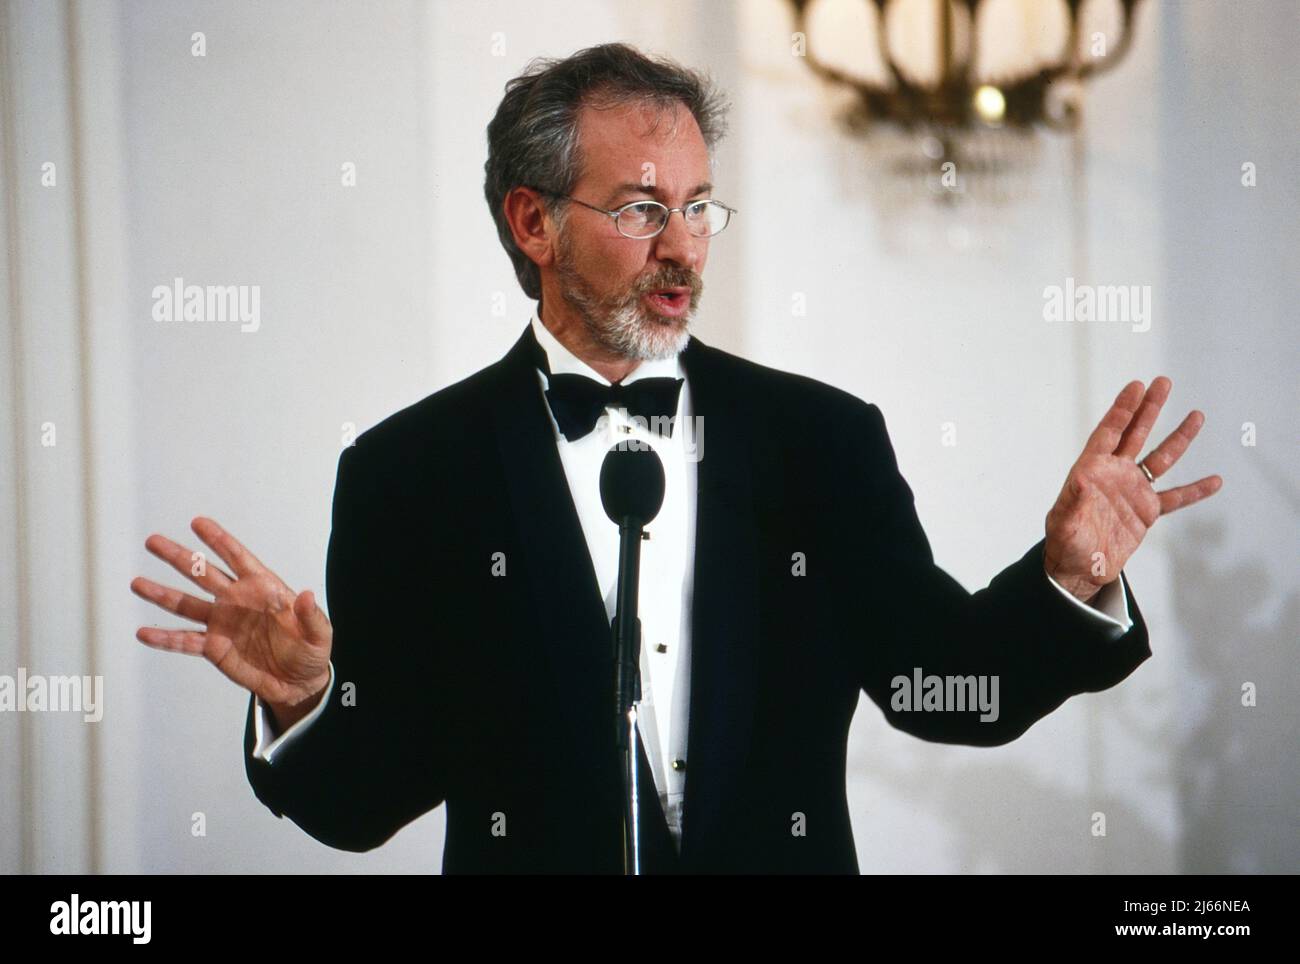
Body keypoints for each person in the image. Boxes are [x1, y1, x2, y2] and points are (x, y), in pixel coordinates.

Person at [130, 43, 1223, 873]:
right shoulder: (409, 472)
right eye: (644, 207)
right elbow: (369, 801)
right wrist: (310, 701)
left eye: (698, 207)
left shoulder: (820, 441)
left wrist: (1069, 577)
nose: (683, 248)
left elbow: (941, 686)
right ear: (533, 221)